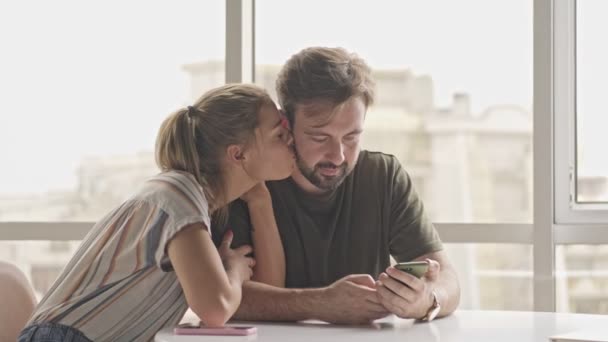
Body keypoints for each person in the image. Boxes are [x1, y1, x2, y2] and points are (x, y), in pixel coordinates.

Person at [19, 84, 295, 341]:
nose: (291, 140)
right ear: (238, 155)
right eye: (279, 135)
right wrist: (234, 270)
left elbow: (260, 294)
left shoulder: (196, 200)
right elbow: (216, 310)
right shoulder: (180, 197)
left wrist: (260, 198)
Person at [214, 47, 461, 324]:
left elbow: (449, 280)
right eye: (320, 138)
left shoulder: (383, 176)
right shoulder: (247, 179)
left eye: (351, 137)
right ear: (286, 126)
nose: (338, 156)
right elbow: (221, 298)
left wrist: (427, 299)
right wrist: (320, 304)